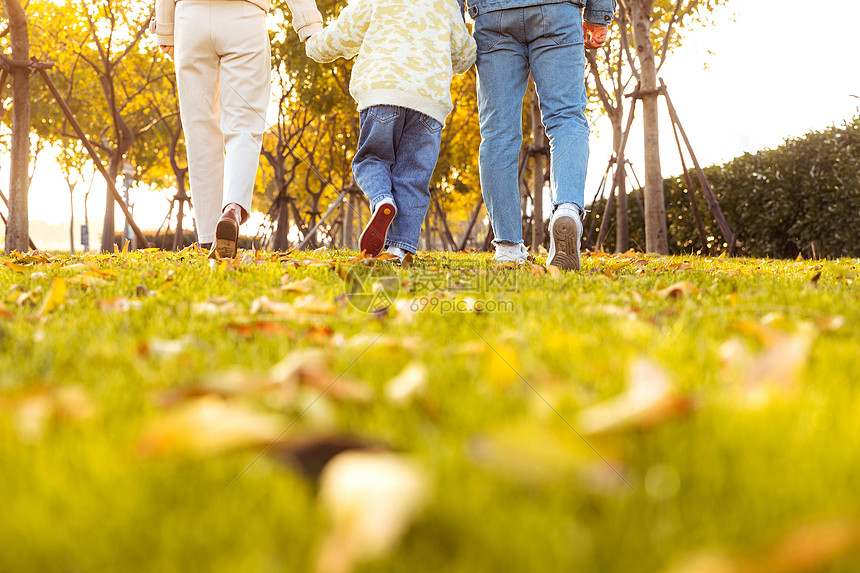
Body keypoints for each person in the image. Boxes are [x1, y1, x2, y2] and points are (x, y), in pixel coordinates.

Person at [304, 0, 477, 262]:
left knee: (372, 159)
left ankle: (382, 200)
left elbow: (340, 36)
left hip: (382, 93)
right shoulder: (448, 4)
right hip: (429, 104)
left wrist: (310, 42)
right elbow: (465, 56)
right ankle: (399, 249)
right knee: (413, 179)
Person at [151, 0, 324, 258]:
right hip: (245, 16)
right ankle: (232, 208)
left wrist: (165, 29)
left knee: (200, 130)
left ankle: (211, 238)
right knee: (244, 125)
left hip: (191, 17)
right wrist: (309, 22)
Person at [458, 0, 614, 270]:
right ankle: (566, 208)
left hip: (493, 15)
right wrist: (598, 15)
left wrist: (453, 18)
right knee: (566, 118)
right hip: (558, 10)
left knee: (497, 132)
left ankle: (507, 247)